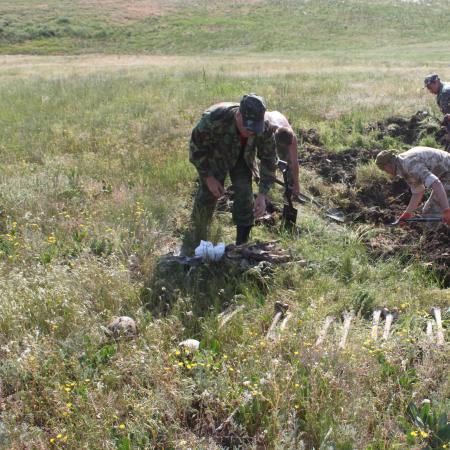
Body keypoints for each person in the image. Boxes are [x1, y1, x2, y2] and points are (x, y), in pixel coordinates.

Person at [181, 94, 277, 255]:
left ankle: (241, 245)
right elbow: (196, 150)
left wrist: (262, 194)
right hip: (215, 157)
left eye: (254, 128)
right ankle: (196, 239)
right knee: (207, 195)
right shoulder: (214, 119)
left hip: (243, 158)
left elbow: (269, 160)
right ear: (238, 115)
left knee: (245, 194)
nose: (250, 132)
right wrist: (208, 178)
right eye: (247, 127)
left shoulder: (264, 127)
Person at [375, 147, 450, 225]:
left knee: (432, 212)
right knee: (429, 211)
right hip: (445, 174)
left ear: (388, 165)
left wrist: (446, 211)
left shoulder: (409, 164)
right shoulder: (402, 166)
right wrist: (407, 214)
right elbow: (418, 192)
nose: (386, 172)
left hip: (447, 172)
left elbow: (436, 183)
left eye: (383, 169)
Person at [264, 110, 300, 197]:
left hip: (278, 118)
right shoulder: (266, 128)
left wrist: (296, 183)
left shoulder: (292, 137)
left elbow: (294, 162)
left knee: (288, 161)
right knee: (269, 160)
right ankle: (268, 187)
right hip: (269, 122)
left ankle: (290, 190)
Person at [424, 73, 450, 150]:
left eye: (430, 87)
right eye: (427, 88)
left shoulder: (445, 92)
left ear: (437, 82)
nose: (429, 90)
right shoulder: (445, 87)